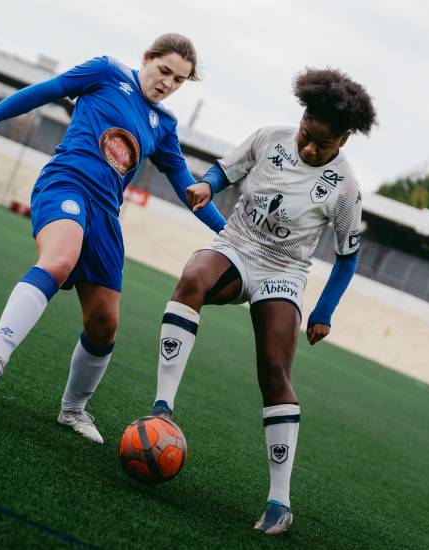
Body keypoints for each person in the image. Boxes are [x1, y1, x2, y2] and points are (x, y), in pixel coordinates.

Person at [0, 34, 227, 444]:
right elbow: (45, 91)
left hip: (106, 215)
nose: (168, 84)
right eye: (164, 71)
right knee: (59, 259)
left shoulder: (165, 126)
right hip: (66, 184)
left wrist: (230, 234)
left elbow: (187, 189)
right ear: (147, 58)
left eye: (178, 81)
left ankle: (73, 411)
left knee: (104, 325)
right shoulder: (105, 72)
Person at [146, 67, 376, 534]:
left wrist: (323, 312)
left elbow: (348, 258)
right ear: (303, 117)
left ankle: (278, 501)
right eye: (308, 136)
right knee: (192, 276)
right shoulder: (269, 138)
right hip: (235, 245)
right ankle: (161, 411)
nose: (311, 148)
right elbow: (224, 170)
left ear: (345, 141)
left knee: (274, 369)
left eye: (324, 145)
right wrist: (206, 186)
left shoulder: (345, 188)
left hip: (283, 273)